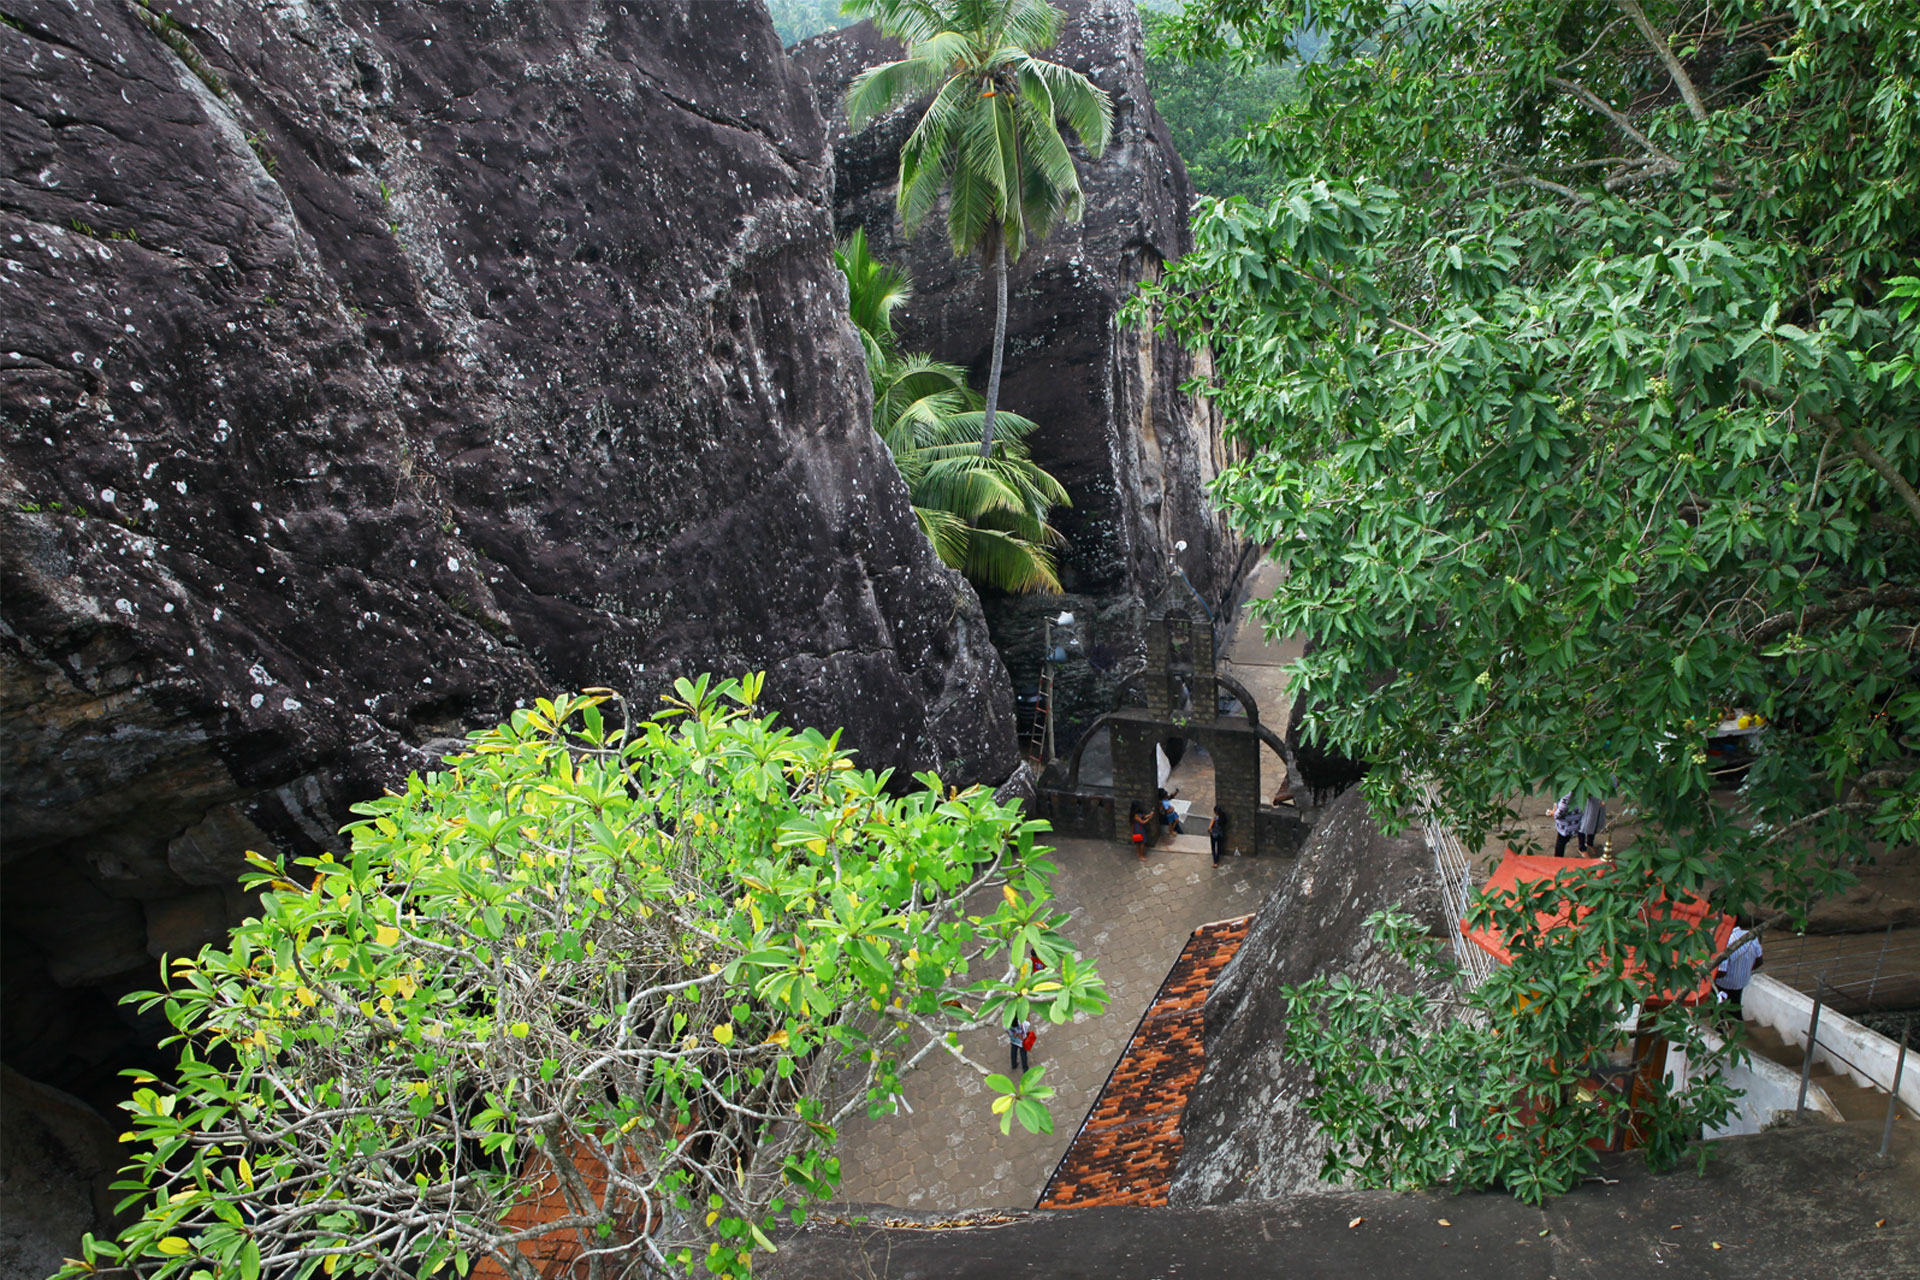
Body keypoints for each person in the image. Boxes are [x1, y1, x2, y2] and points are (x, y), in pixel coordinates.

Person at [1715, 927, 1764, 1013]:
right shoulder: (1751, 935)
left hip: (1725, 983)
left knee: (1719, 1008)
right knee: (1735, 1005)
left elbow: (1722, 972)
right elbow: (1759, 961)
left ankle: (1721, 1024)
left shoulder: (1725, 942)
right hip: (1742, 981)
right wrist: (1745, 971)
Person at [1552, 793, 1578, 857]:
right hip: (1576, 820)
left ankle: (1558, 861)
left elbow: (1560, 811)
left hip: (1566, 825)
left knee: (1560, 844)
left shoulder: (1566, 794)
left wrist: (1554, 814)